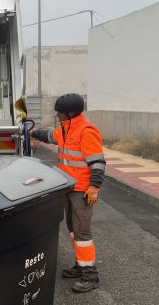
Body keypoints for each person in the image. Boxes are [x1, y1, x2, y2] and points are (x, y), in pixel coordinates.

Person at [31, 93, 105, 293]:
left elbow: (97, 162)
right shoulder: (65, 129)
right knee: (73, 230)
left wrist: (94, 187)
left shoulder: (86, 131)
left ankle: (90, 275)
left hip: (82, 191)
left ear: (71, 113)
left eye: (60, 112)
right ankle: (80, 265)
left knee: (82, 232)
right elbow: (48, 136)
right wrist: (31, 131)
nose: (57, 114)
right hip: (69, 187)